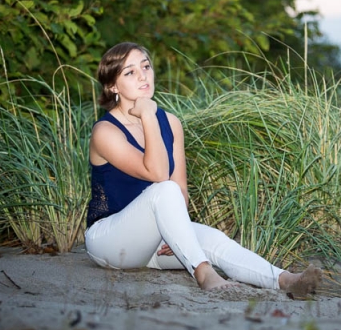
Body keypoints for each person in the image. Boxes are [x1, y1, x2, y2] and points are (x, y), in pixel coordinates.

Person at [84, 42, 322, 297]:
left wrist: (171, 232)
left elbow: (181, 191)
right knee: (164, 189)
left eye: (146, 66)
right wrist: (148, 115)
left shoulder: (171, 123)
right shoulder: (105, 131)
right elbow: (158, 175)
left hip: (152, 247)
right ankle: (203, 273)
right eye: (130, 72)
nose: (143, 75)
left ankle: (286, 280)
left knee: (216, 241)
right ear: (112, 86)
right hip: (109, 241)